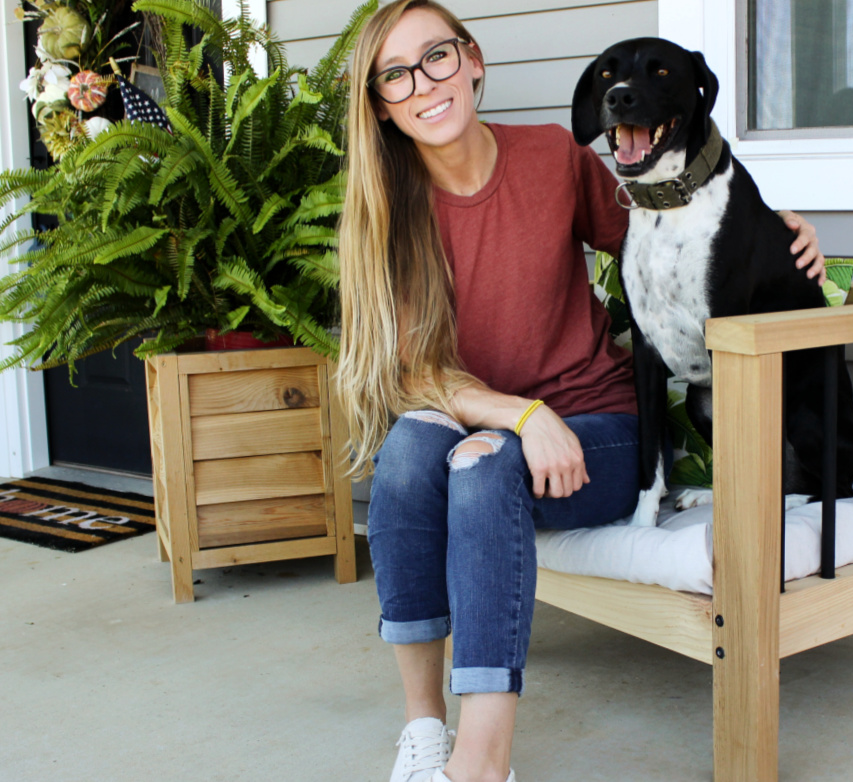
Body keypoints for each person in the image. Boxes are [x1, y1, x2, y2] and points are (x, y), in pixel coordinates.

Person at [334, 3, 827, 781]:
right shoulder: (385, 212)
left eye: (436, 57)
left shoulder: (554, 160)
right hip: (494, 419)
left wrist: (773, 224)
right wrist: (526, 416)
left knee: (483, 465)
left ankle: (482, 763)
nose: (423, 83)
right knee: (407, 457)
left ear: (472, 61)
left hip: (596, 426)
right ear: (381, 104)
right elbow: (411, 377)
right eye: (395, 74)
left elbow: (666, 228)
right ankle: (423, 729)